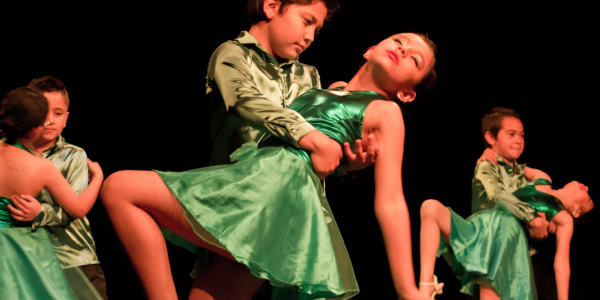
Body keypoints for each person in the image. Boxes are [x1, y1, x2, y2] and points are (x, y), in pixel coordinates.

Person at [100, 31, 437, 300]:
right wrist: (345, 166)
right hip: (261, 190)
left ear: (408, 94)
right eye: (399, 41)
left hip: (274, 195)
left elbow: (391, 200)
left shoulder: (388, 112)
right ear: (371, 48)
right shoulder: (328, 88)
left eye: (415, 59)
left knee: (121, 188)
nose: (403, 50)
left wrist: (407, 288)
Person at [0, 87, 104, 300]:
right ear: (36, 129)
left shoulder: (72, 155)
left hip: (70, 255)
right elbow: (78, 207)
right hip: (26, 251)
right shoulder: (42, 167)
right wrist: (99, 177)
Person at [418, 176, 594, 300]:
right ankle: (425, 288)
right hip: (483, 225)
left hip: (507, 236)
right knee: (430, 207)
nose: (586, 186)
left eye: (588, 197)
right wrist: (490, 152)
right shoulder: (542, 179)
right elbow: (510, 155)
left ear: (577, 210)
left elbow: (562, 261)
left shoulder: (565, 217)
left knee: (489, 289)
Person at [472, 107, 558, 299]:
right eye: (511, 134)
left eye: (521, 135)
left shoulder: (521, 173)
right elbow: (498, 195)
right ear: (491, 137)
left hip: (524, 255)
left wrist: (545, 220)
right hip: (493, 253)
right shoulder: (486, 166)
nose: (518, 140)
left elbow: (541, 185)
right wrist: (532, 217)